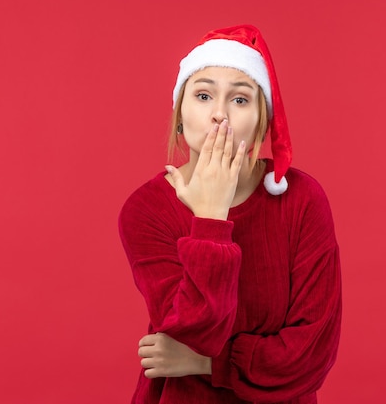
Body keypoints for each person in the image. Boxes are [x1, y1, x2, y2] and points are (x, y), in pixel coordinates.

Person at [118, 24, 342, 404]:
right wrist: (211, 219)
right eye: (203, 95)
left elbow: (312, 355)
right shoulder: (145, 210)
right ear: (179, 114)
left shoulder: (303, 199)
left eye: (240, 100)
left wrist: (208, 365)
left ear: (261, 121)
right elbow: (195, 332)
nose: (219, 115)